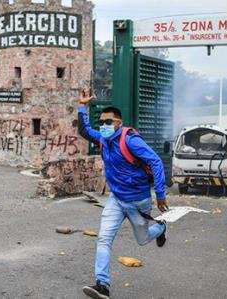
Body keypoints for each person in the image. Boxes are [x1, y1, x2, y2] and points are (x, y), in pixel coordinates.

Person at [77, 88, 169, 299]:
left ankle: (161, 227)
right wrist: (82, 105)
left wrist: (161, 194)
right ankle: (103, 285)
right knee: (104, 239)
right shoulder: (103, 139)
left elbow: (155, 161)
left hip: (138, 201)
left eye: (108, 122)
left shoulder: (130, 140)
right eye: (102, 122)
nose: (104, 126)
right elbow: (84, 131)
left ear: (118, 122)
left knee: (143, 239)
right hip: (116, 200)